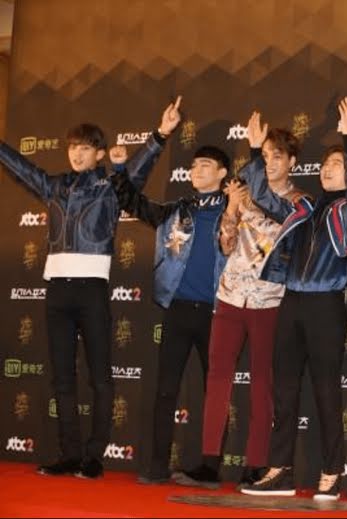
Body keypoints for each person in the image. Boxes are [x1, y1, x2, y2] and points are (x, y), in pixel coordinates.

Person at [0, 96, 181, 479]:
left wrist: (161, 134)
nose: (76, 154)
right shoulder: (54, 186)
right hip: (57, 290)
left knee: (100, 376)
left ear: (99, 153)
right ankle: (69, 454)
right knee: (62, 377)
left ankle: (94, 456)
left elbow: (137, 170)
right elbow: (21, 168)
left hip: (92, 290)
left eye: (84, 148)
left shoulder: (110, 186)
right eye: (72, 147)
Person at [239, 98, 347, 501]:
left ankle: (332, 471)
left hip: (325, 306)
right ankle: (280, 470)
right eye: (327, 164)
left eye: (339, 164)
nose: (329, 169)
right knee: (283, 391)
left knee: (327, 392)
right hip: (291, 303)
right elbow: (263, 195)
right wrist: (254, 152)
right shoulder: (305, 207)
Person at [172, 127, 307, 491]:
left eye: (278, 156)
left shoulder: (299, 201)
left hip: (268, 299)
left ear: (292, 162)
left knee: (263, 382)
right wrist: (232, 209)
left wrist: (248, 206)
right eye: (265, 156)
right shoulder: (244, 194)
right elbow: (227, 244)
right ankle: (209, 462)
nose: (271, 163)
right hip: (231, 295)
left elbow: (280, 236)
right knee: (217, 377)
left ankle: (256, 464)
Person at [111, 140, 232, 485]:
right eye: (193, 165)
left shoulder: (236, 211)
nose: (196, 170)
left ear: (223, 174)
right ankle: (156, 465)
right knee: (165, 390)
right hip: (177, 310)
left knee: (216, 392)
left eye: (205, 165)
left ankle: (210, 468)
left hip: (219, 313)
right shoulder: (177, 210)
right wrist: (119, 169)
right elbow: (131, 202)